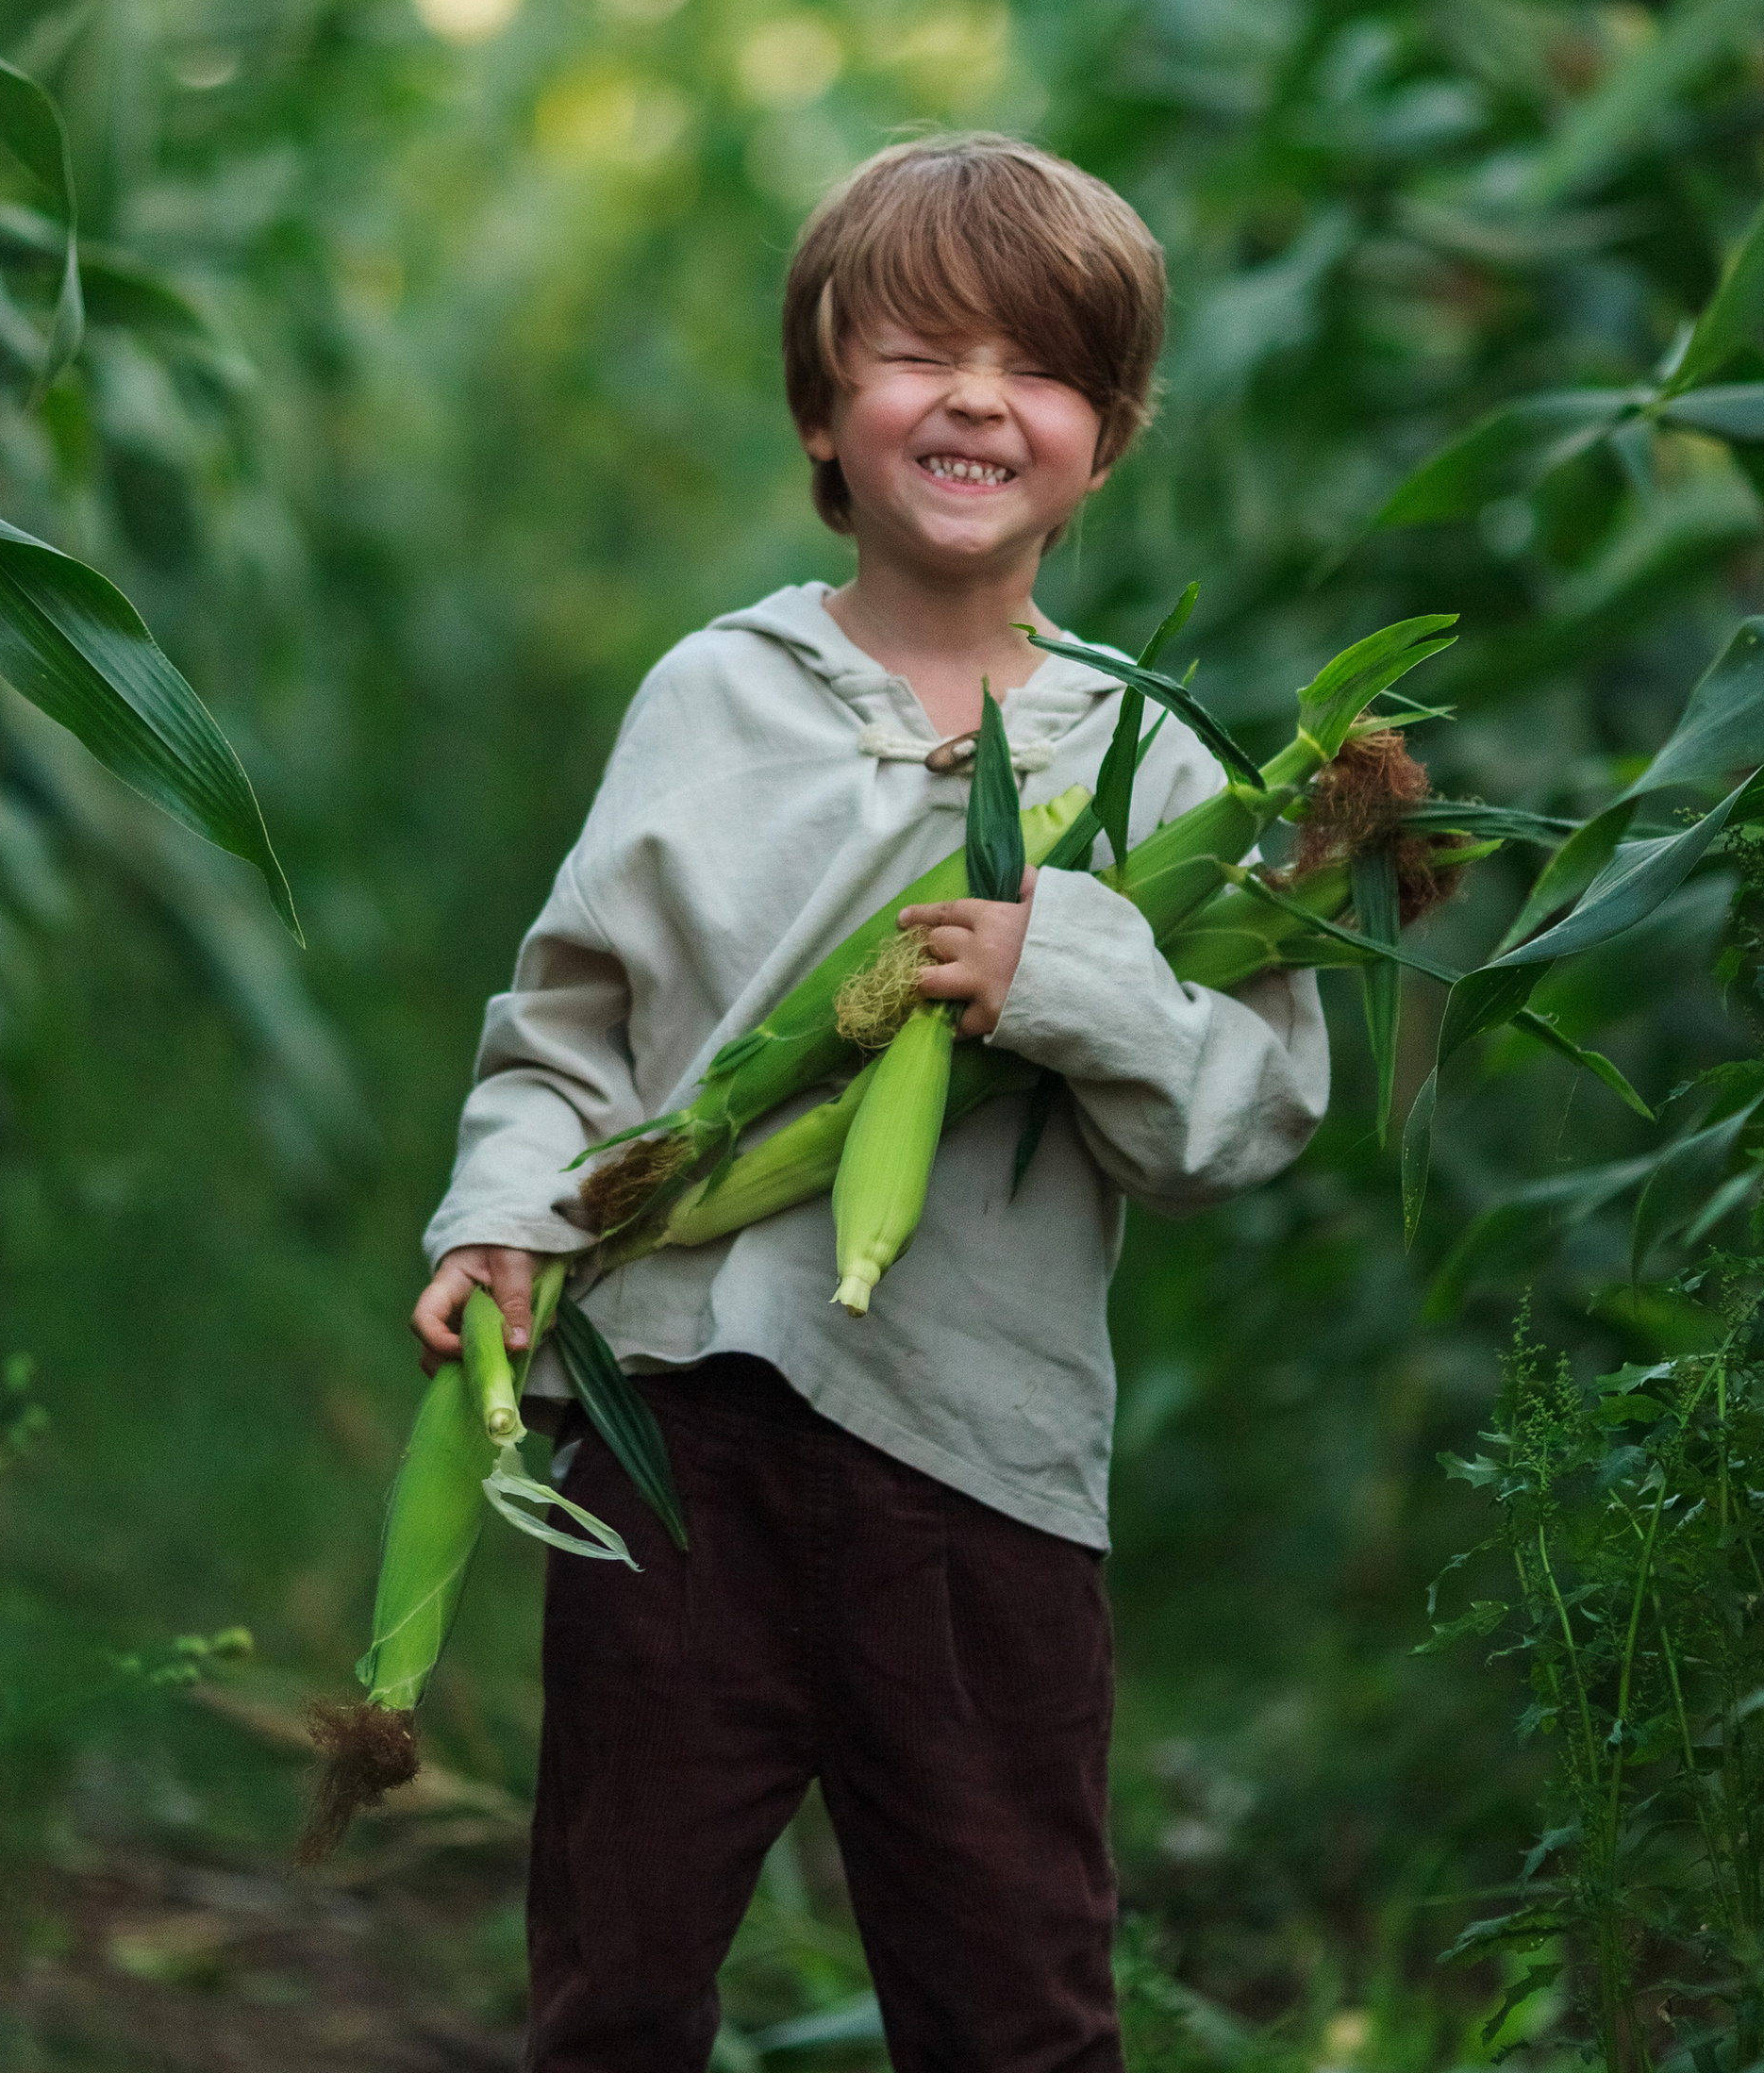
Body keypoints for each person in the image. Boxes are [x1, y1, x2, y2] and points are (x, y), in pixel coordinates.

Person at [408, 131, 1328, 2073]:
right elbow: (567, 1021)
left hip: (977, 1462)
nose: (978, 396)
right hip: (675, 1437)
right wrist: (500, 1214)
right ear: (823, 406)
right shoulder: (710, 697)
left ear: (1108, 433)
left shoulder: (1155, 765)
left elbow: (1244, 1110)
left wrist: (1060, 974)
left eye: (1041, 365)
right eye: (917, 347)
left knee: (1010, 1998)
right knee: (616, 1974)